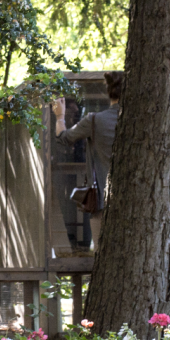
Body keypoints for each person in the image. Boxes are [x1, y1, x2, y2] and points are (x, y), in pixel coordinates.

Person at [56, 71, 123, 249]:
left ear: (108, 92)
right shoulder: (141, 122)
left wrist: (60, 116)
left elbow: (64, 138)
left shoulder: (95, 120)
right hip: (135, 204)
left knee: (103, 252)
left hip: (102, 201)